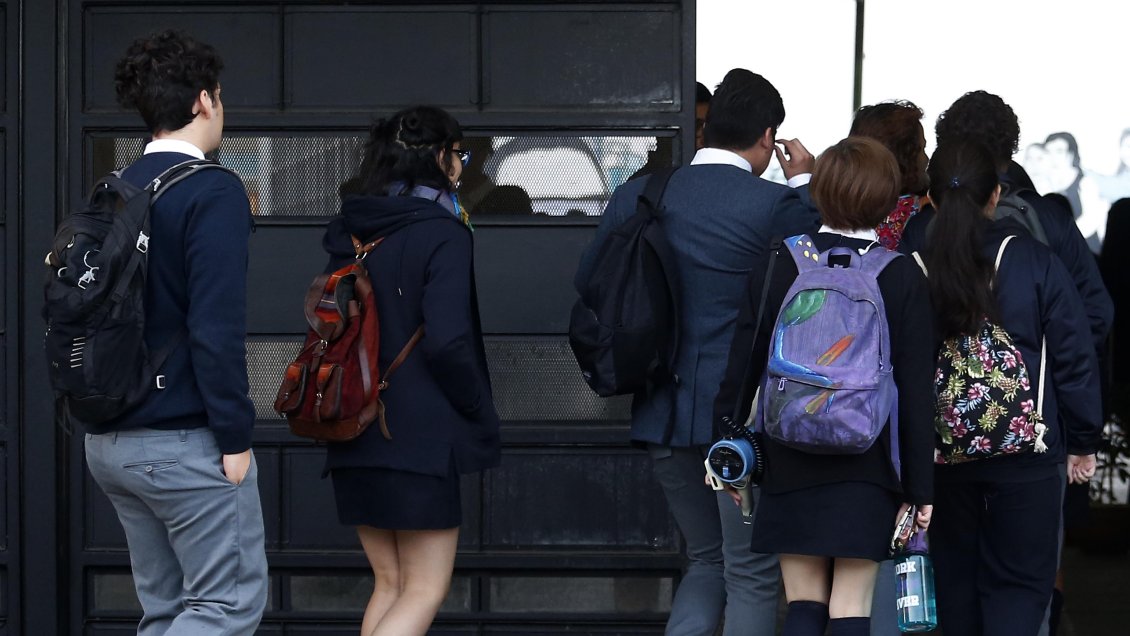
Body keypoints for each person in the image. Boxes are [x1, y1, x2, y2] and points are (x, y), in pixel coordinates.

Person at [575, 68, 820, 636]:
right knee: (751, 572)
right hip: (741, 423)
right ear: (767, 137)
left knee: (705, 560)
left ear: (706, 131)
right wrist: (806, 182)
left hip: (661, 412)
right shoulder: (777, 204)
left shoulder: (640, 192)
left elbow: (591, 282)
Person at [81, 30, 268, 633]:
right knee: (224, 607)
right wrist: (235, 439)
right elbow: (215, 326)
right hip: (184, 440)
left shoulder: (114, 191)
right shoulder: (211, 190)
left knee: (165, 612)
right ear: (205, 102)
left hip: (111, 441)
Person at [713, 137, 936, 636]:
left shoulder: (782, 261)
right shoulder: (899, 275)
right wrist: (921, 489)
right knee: (851, 606)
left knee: (804, 605)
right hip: (868, 463)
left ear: (821, 191)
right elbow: (917, 392)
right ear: (885, 200)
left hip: (790, 452)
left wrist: (726, 444)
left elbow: (745, 360)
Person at [320, 106, 501, 636]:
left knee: (391, 584)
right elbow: (448, 342)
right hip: (419, 437)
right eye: (459, 155)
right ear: (441, 157)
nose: (462, 166)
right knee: (423, 589)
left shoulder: (350, 229)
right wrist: (474, 407)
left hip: (352, 423)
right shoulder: (443, 232)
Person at [918, 140, 1101, 636]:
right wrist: (1083, 441)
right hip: (1027, 459)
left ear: (929, 198)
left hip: (941, 462)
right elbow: (1074, 357)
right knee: (1019, 592)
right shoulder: (1033, 260)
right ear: (996, 195)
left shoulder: (910, 267)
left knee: (955, 590)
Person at [849, 100, 930, 250]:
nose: (927, 159)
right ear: (904, 158)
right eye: (921, 149)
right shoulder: (929, 218)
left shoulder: (834, 210)